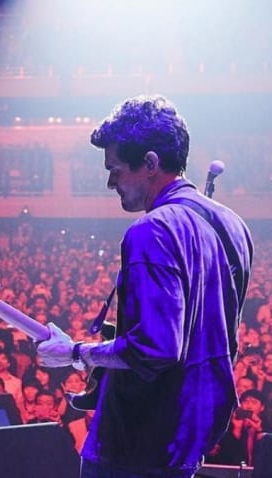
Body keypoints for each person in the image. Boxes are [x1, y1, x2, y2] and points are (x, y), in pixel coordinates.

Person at [36, 95, 254, 477]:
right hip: (188, 436)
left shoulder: (152, 230)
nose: (110, 182)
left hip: (136, 444)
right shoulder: (234, 225)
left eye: (116, 170)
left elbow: (156, 348)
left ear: (150, 163)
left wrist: (75, 352)